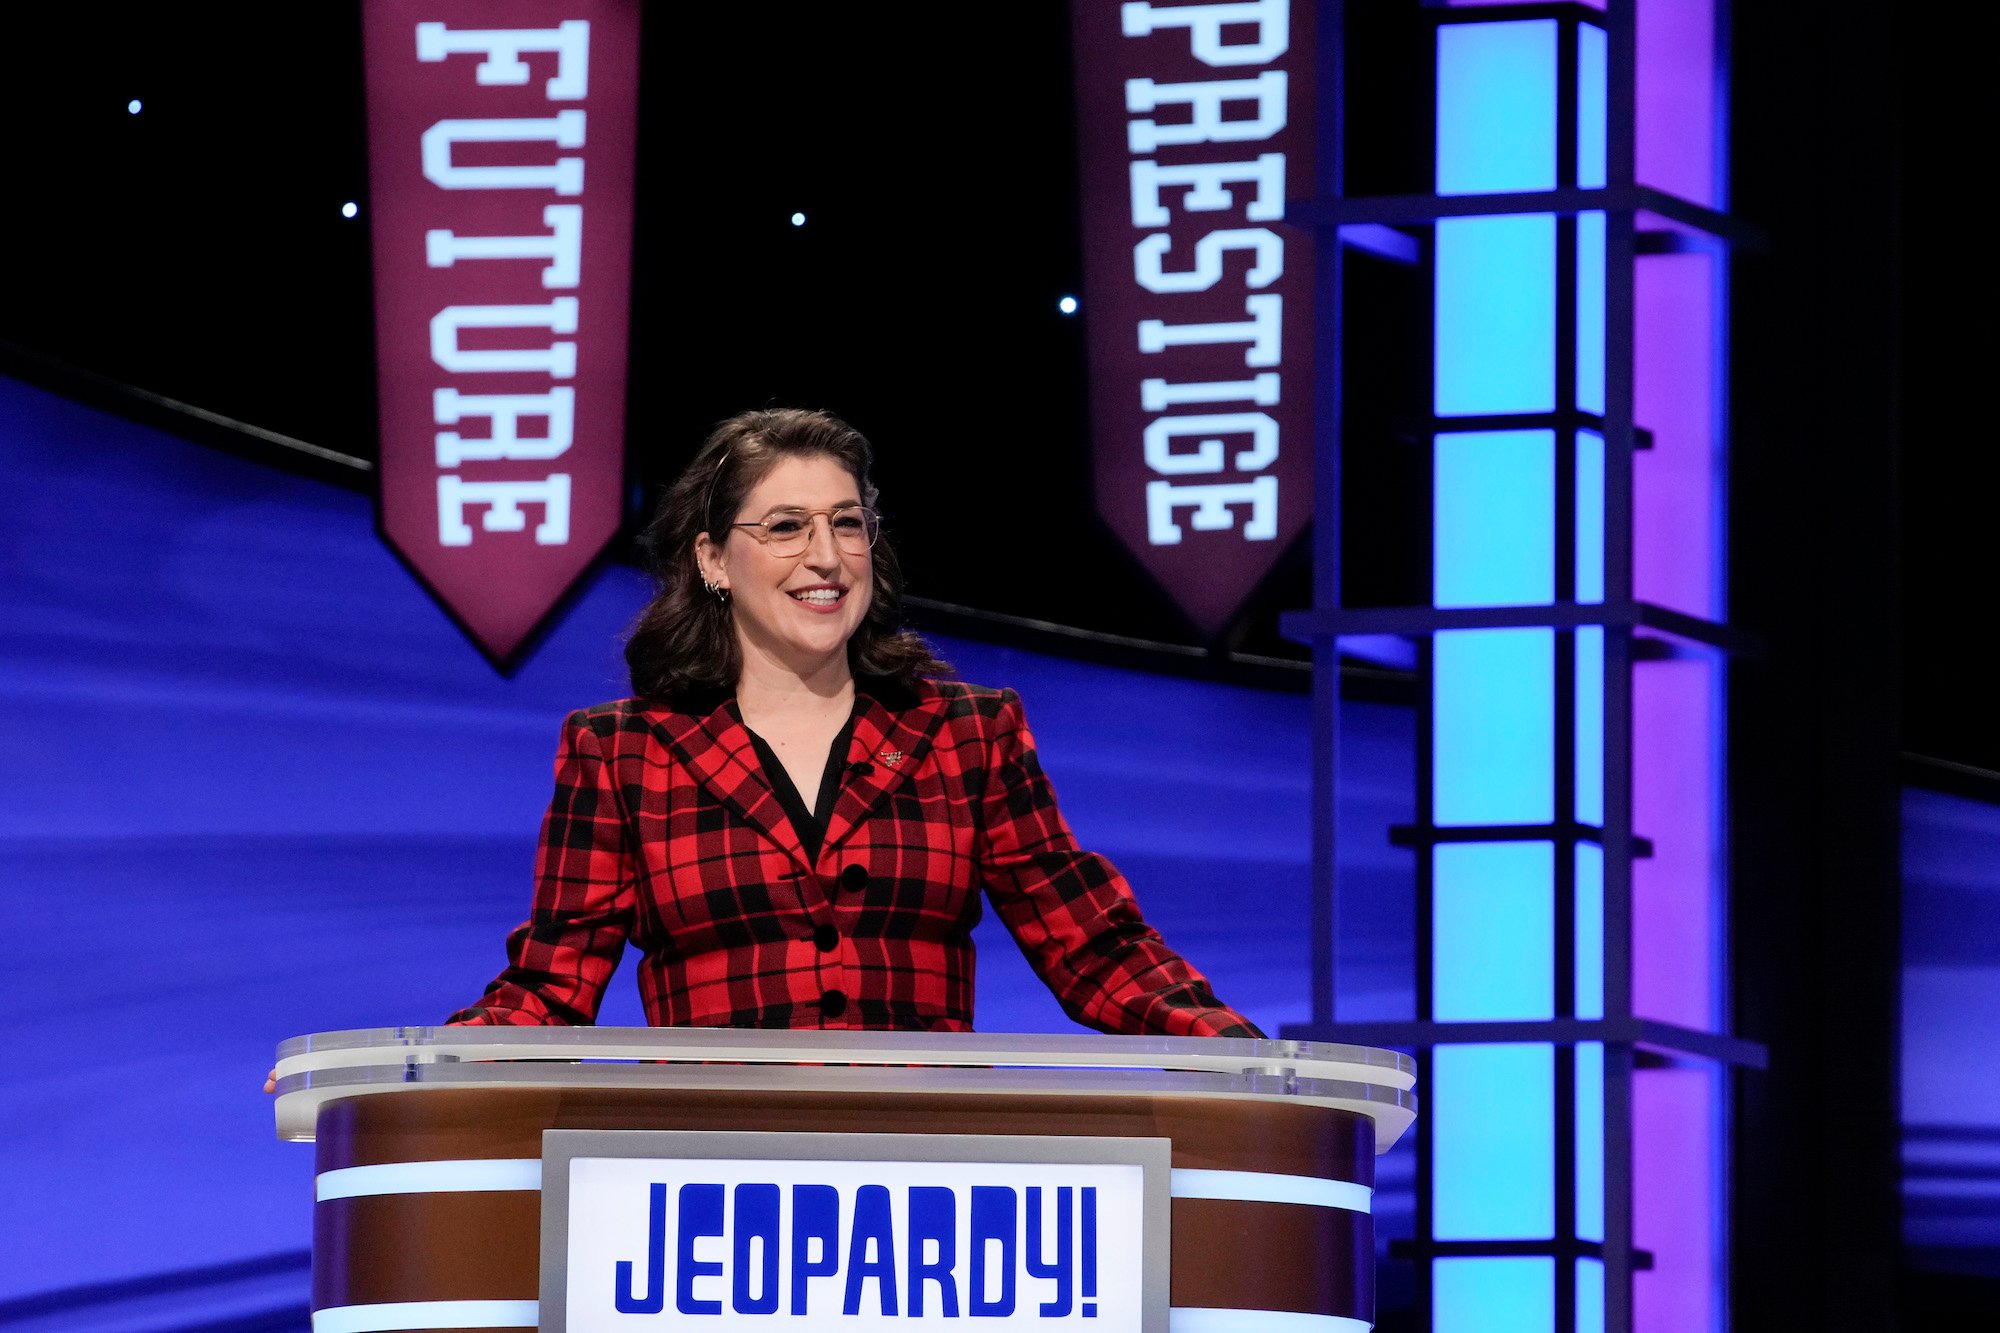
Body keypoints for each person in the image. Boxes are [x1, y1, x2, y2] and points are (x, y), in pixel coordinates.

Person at [444, 407, 1257, 1036]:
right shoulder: (623, 751)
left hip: (918, 1180)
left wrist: (1255, 1060)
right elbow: (551, 987)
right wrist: (412, 1078)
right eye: (787, 527)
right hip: (711, 1182)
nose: (827, 556)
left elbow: (1095, 947)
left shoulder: (969, 732)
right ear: (713, 559)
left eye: (846, 523)